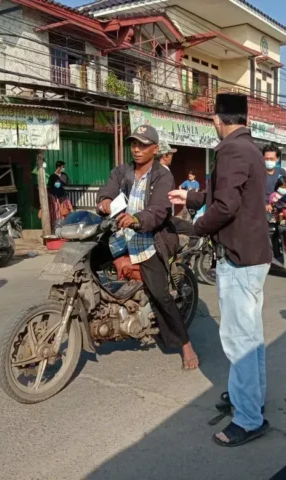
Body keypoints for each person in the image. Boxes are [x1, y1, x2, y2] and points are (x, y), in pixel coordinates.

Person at [168, 93, 272, 447]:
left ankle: (248, 419)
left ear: (217, 119)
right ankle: (251, 400)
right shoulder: (251, 149)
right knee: (252, 337)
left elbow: (225, 205)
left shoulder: (229, 150)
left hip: (239, 257)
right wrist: (191, 198)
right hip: (254, 254)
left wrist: (196, 228)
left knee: (240, 341)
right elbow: (226, 194)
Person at [95, 124, 199, 370]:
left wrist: (137, 219)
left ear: (154, 149)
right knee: (88, 261)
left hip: (148, 238)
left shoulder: (163, 175)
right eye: (134, 144)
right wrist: (104, 200)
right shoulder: (122, 171)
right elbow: (107, 189)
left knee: (161, 295)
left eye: (143, 145)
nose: (137, 149)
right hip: (119, 235)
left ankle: (185, 344)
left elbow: (160, 209)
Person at [47, 160, 73, 233]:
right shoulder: (52, 176)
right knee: (57, 213)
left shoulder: (64, 175)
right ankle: (56, 228)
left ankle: (65, 227)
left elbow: (68, 183)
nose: (63, 168)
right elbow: (49, 186)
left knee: (67, 211)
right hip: (55, 198)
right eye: (63, 167)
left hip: (64, 197)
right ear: (59, 167)